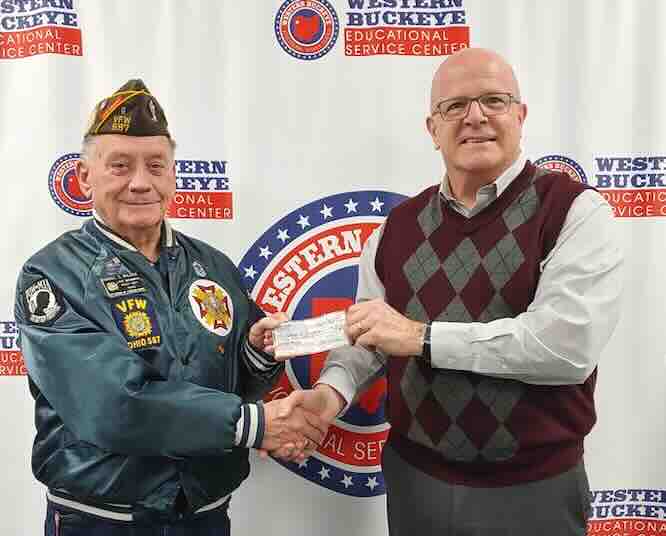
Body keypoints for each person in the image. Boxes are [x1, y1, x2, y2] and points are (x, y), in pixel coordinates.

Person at [290, 48, 624, 535]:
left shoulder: (573, 210)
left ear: (520, 115)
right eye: (455, 106)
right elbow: (368, 338)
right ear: (433, 129)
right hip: (414, 481)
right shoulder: (397, 228)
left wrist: (421, 338)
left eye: (494, 100)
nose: (475, 117)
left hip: (533, 491)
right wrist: (328, 396)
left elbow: (565, 348)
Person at [14, 79, 325, 535]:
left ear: (173, 175)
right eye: (120, 165)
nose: (141, 183)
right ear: (84, 177)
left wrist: (256, 355)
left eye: (156, 166)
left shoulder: (213, 266)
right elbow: (114, 404)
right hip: (101, 521)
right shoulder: (52, 275)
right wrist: (255, 425)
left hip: (205, 515)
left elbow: (233, 385)